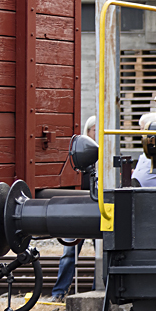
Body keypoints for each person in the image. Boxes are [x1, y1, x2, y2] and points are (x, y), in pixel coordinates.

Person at [51, 116, 98, 301]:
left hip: (96, 208)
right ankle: (59, 292)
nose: (98, 134)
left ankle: (99, 288)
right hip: (80, 207)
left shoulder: (102, 154)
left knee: (101, 252)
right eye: (95, 130)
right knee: (69, 252)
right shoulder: (80, 155)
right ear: (87, 132)